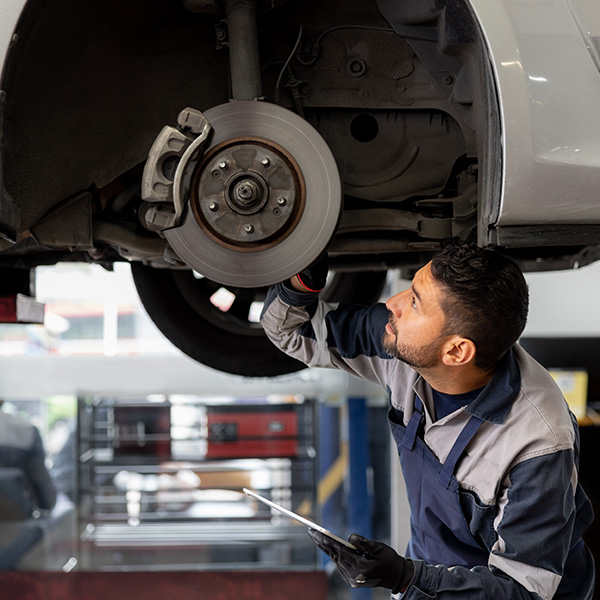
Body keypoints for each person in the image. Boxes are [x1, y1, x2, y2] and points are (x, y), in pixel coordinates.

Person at [260, 241, 595, 599]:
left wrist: (405, 577)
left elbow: (524, 593)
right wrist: (302, 280)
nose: (394, 304)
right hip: (429, 579)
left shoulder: (537, 443)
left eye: (415, 302)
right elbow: (292, 331)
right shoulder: (407, 344)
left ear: (456, 351)